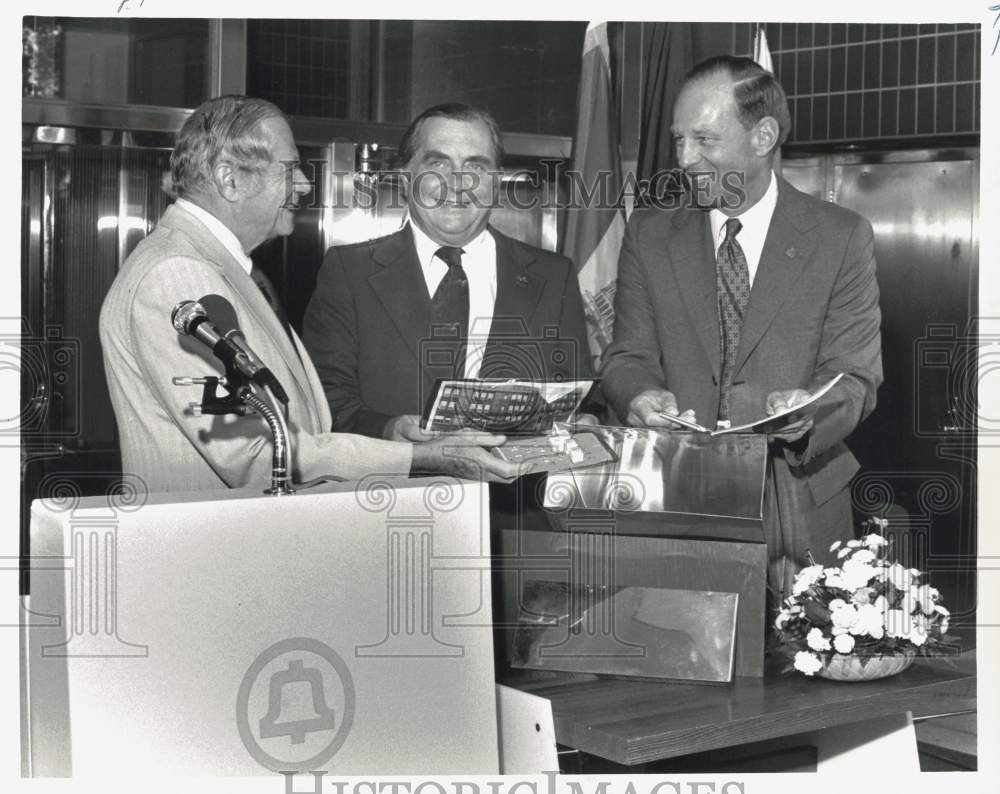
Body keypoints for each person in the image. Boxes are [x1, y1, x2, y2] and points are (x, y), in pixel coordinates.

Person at [99, 95, 520, 494]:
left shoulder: (212, 267)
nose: (303, 184)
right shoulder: (177, 273)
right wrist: (423, 456)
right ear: (230, 179)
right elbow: (253, 453)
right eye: (291, 168)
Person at [601, 56, 882, 582]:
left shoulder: (842, 236)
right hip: (677, 496)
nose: (684, 158)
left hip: (802, 499)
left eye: (704, 139)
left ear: (763, 136)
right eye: (678, 138)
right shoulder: (650, 234)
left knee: (815, 659)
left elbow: (857, 376)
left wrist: (811, 411)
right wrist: (639, 394)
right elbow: (626, 355)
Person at [302, 103, 597, 445]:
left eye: (475, 166)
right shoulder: (349, 272)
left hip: (513, 494)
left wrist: (581, 421)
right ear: (404, 176)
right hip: (393, 490)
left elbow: (579, 397)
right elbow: (325, 400)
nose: (457, 184)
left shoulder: (553, 276)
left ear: (497, 181)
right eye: (438, 163)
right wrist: (387, 429)